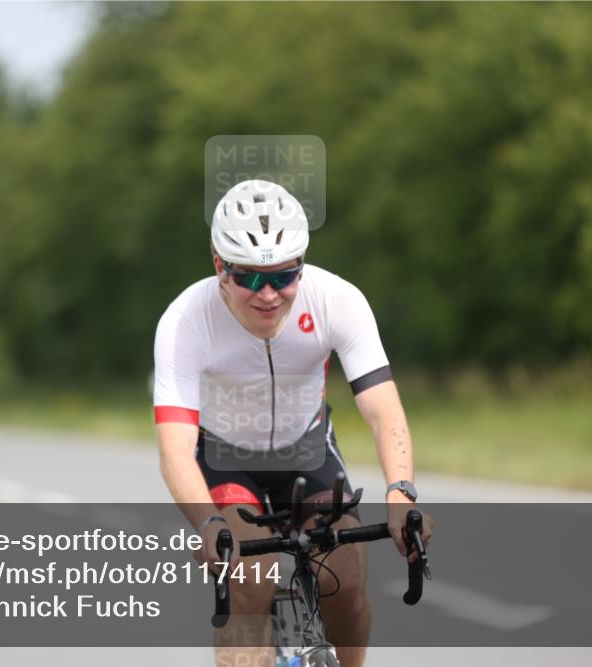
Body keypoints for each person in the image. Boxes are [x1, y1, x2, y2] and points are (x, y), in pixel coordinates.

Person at [153, 179, 433, 667]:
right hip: (225, 461)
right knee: (251, 577)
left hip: (308, 451)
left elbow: (382, 407)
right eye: (250, 278)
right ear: (220, 266)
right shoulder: (185, 319)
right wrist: (208, 523)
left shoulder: (336, 299)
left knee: (343, 585)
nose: (268, 295)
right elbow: (175, 447)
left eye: (283, 277)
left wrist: (400, 493)